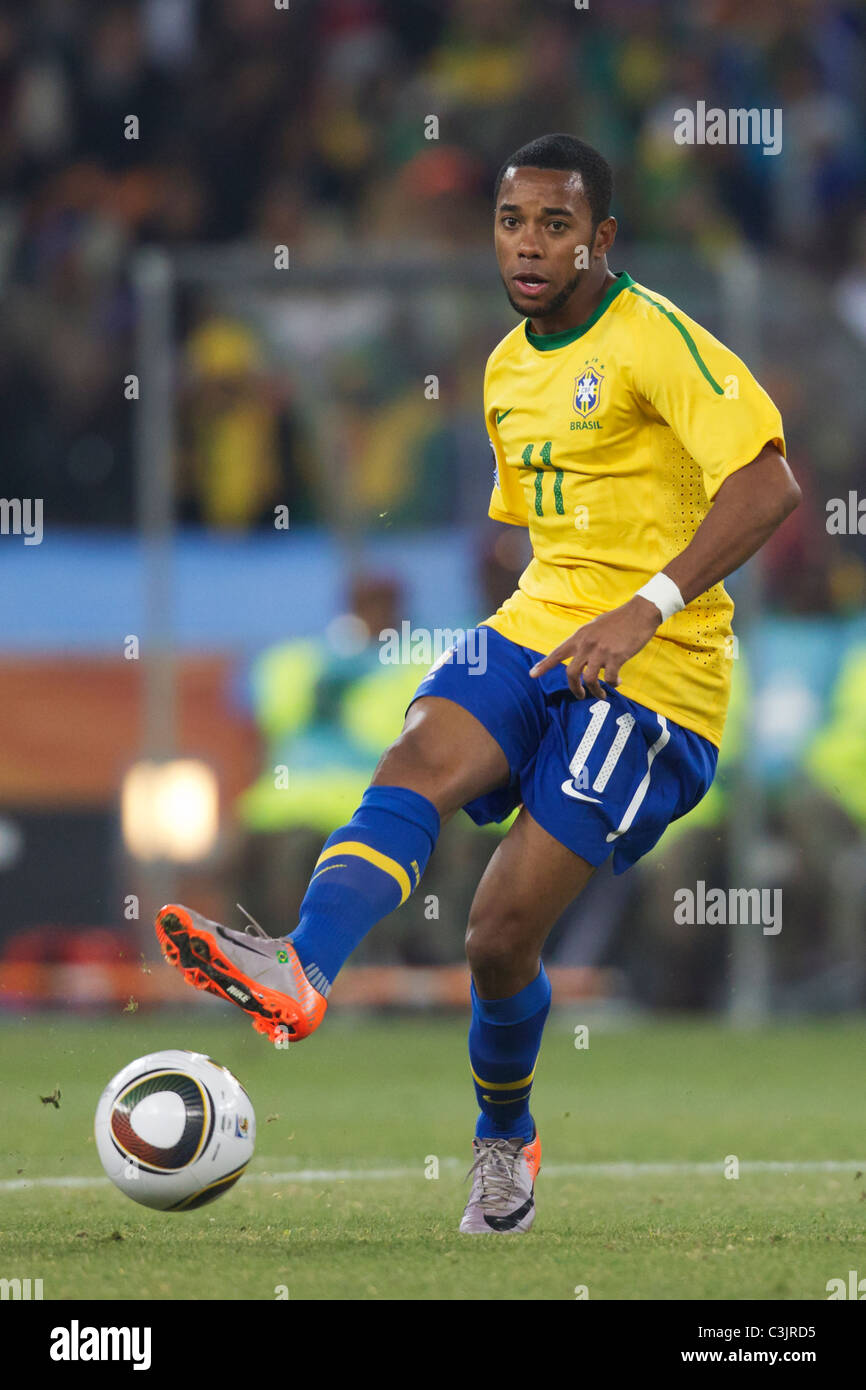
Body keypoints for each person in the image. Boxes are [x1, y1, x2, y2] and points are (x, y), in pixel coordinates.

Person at [155, 134, 799, 1234]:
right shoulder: (506, 369)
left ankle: (503, 1142)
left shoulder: (655, 341)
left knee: (497, 932)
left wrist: (643, 603)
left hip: (657, 680)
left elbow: (770, 483)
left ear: (601, 239)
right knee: (414, 756)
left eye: (556, 224)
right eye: (511, 222)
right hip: (540, 628)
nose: (529, 244)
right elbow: (541, 533)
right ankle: (304, 968)